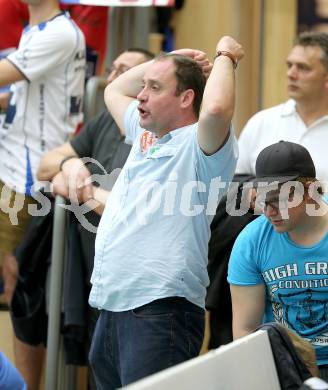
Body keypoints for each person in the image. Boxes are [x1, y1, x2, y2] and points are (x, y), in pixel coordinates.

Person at [87, 36, 244, 389]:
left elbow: (217, 108)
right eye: (143, 86)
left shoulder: (201, 146)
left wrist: (225, 57)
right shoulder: (146, 136)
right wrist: (169, 58)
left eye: (154, 88)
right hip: (113, 306)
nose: (140, 95)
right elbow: (113, 90)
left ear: (186, 98)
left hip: (161, 309)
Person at [33, 47, 153, 390]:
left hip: (138, 283)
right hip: (95, 271)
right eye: (112, 68)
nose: (112, 78)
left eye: (124, 71)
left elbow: (135, 211)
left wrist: (81, 191)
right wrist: (69, 165)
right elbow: (46, 165)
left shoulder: (155, 130)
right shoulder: (103, 122)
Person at [0, 0, 85, 388]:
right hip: (13, 173)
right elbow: (20, 96)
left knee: (22, 293)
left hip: (33, 183)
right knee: (19, 291)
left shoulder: (59, 32)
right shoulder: (36, 29)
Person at [228, 141, 328, 381]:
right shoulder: (252, 241)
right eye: (263, 200)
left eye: (280, 199)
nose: (269, 211)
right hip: (284, 364)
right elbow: (245, 330)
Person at [236, 31, 328, 187]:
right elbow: (232, 186)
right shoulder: (261, 122)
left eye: (303, 68)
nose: (291, 74)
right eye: (290, 65)